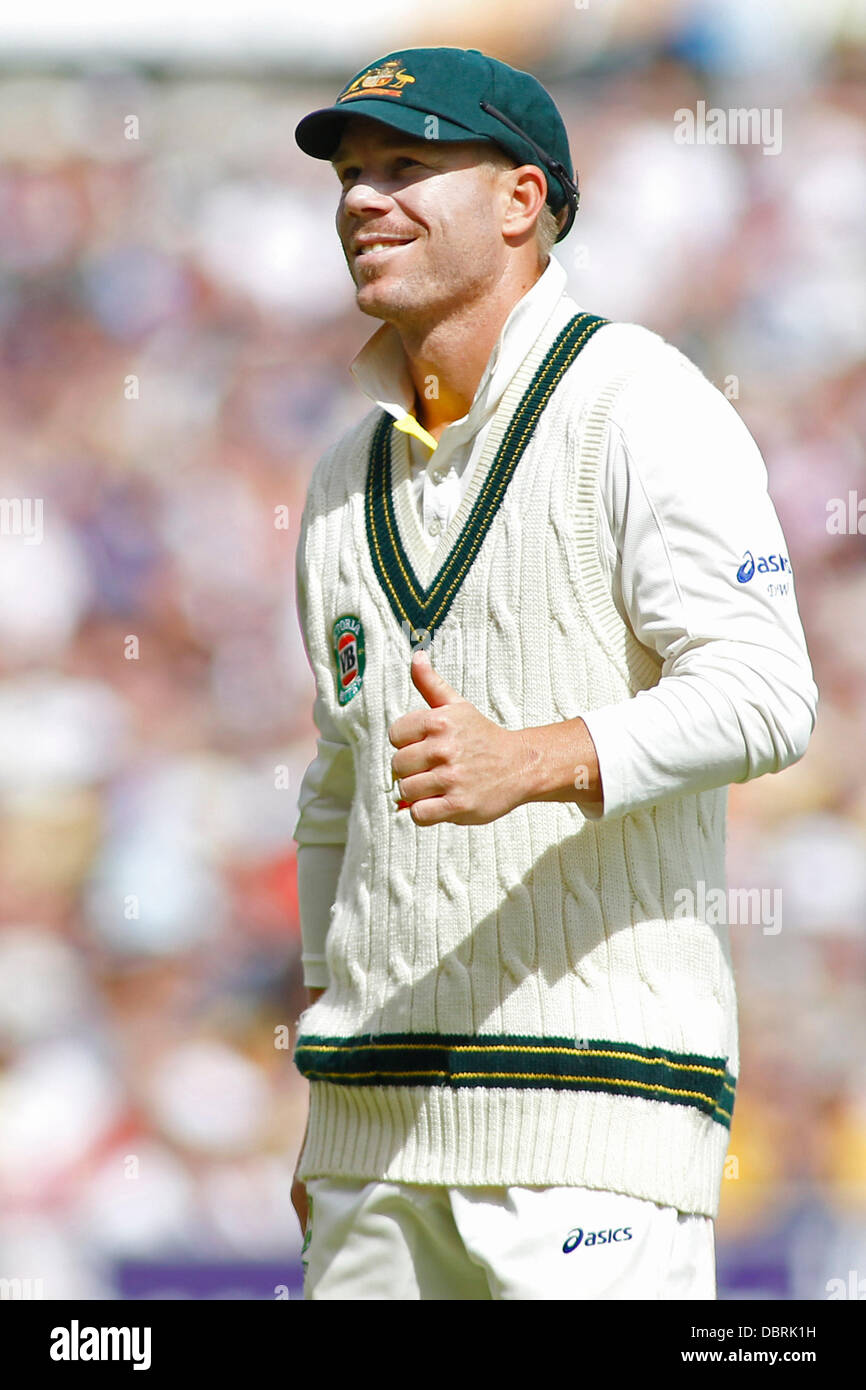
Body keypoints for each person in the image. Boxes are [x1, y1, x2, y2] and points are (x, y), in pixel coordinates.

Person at [288, 46, 818, 1300]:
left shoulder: (639, 402)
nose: (362, 199)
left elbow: (764, 692)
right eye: (351, 174)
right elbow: (335, 800)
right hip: (369, 1133)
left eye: (407, 165)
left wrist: (533, 759)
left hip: (594, 1125)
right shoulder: (338, 477)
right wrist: (316, 1087)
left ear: (522, 200)